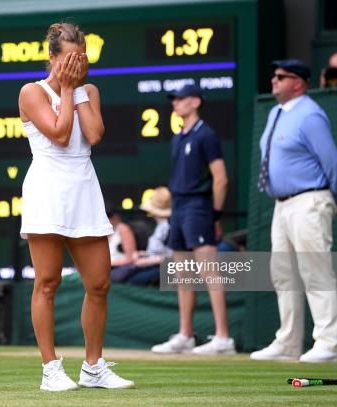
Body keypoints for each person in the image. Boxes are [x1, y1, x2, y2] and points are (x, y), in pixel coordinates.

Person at [18, 22, 134, 391]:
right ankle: (51, 369)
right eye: (69, 58)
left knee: (99, 283)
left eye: (81, 58)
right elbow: (61, 133)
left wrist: (77, 89)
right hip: (47, 191)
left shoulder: (89, 91)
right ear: (52, 58)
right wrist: (67, 88)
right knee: (47, 283)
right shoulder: (30, 92)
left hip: (84, 189)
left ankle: (93, 367)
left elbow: (94, 135)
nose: (76, 64)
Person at [251, 59, 337, 363]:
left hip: (310, 200)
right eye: (273, 75)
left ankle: (328, 344)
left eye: (281, 77)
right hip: (282, 204)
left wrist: (333, 198)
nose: (274, 80)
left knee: (315, 271)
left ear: (298, 83)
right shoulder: (276, 112)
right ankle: (289, 342)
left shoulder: (311, 114)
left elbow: (333, 161)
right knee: (284, 274)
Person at [151, 84, 235, 355]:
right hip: (178, 206)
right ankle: (186, 335)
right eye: (174, 99)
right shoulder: (178, 138)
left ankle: (223, 338)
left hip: (199, 207)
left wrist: (215, 215)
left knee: (209, 271)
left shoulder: (206, 135)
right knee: (183, 274)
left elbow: (220, 179)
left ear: (195, 102)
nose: (175, 103)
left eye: (181, 99)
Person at [110, 186, 172, 285]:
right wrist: (143, 254)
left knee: (133, 280)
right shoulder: (162, 225)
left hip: (164, 268)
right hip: (155, 265)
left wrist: (145, 261)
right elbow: (159, 251)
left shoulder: (168, 226)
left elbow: (171, 256)